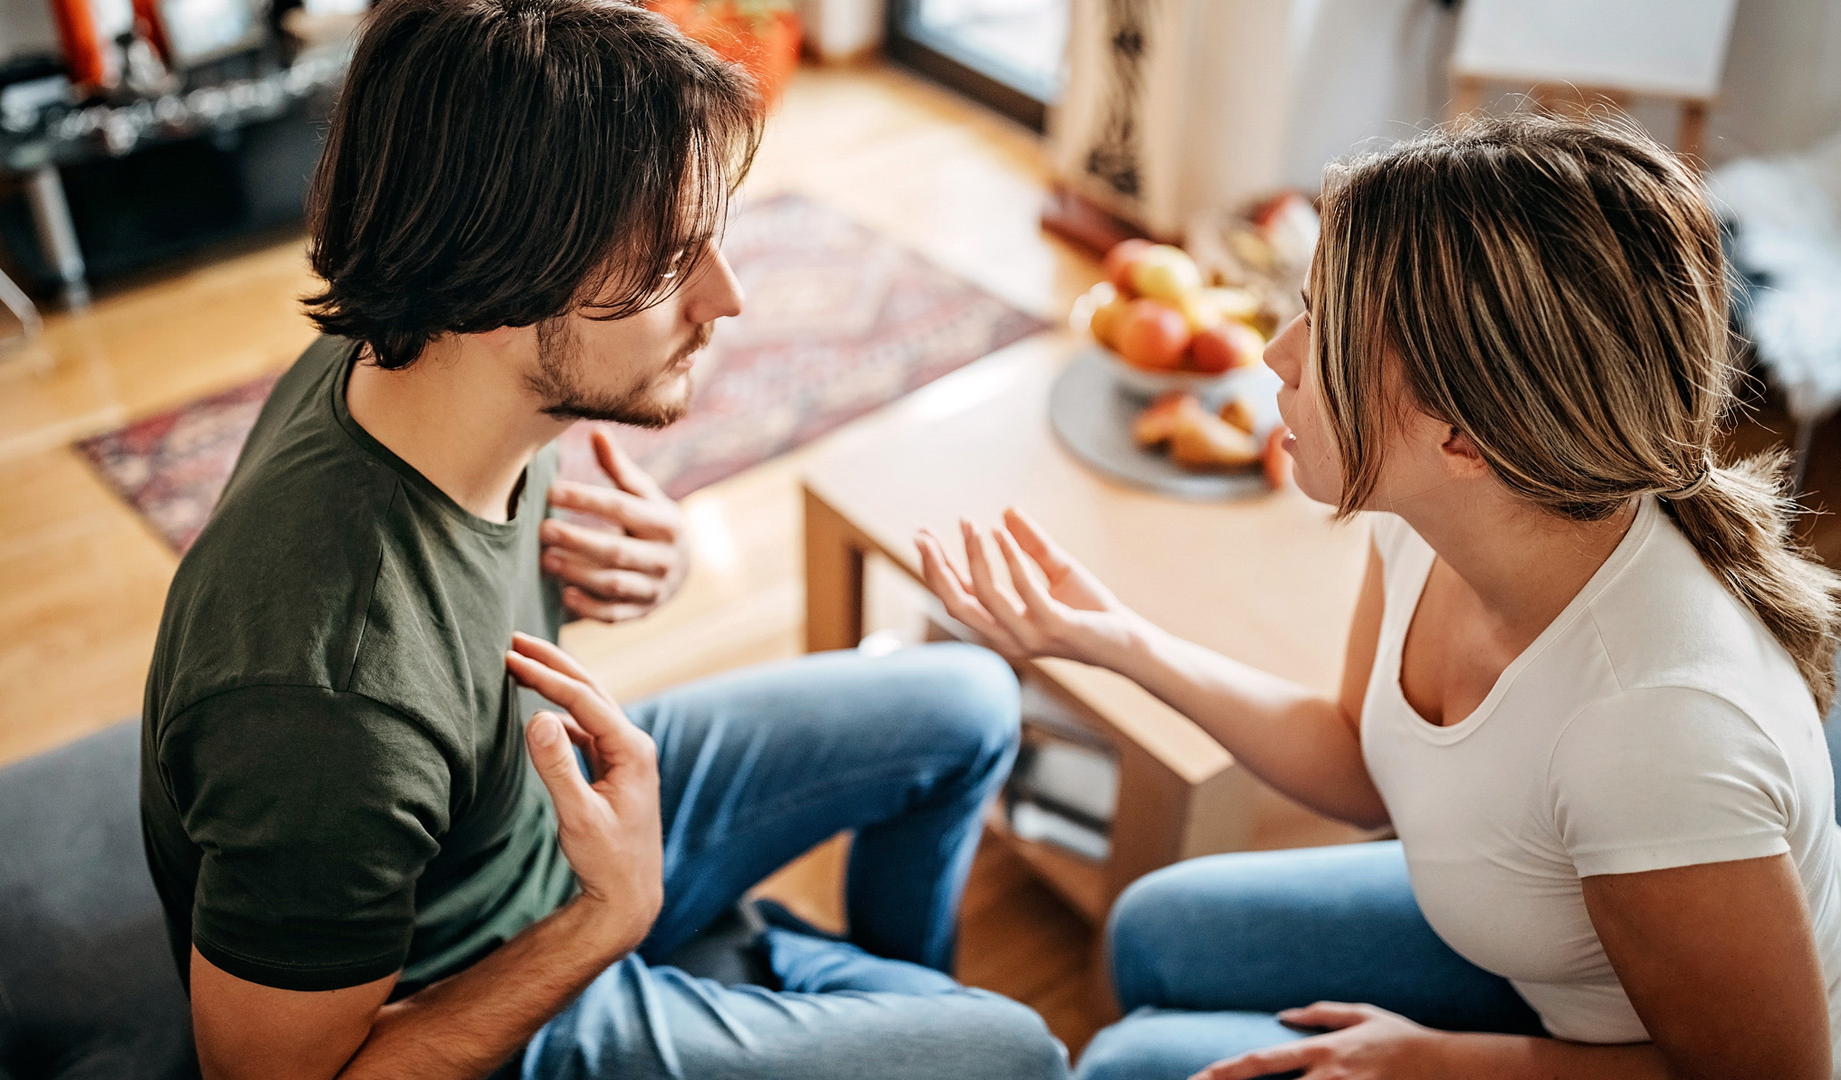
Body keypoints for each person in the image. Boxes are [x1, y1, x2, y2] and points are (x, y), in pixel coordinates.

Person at [137, 3, 1066, 1078]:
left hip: (531, 828)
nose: (730, 297)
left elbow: (457, 600)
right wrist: (607, 920)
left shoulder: (417, 364)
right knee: (1020, 1052)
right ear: (502, 275)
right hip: (484, 999)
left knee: (970, 702)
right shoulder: (328, 703)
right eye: (674, 260)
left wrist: (649, 557)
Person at [918, 112, 1841, 1080]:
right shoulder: (1435, 511)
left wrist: (1442, 1063)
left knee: (1130, 1065)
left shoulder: (1656, 735)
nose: (1277, 353)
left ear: (1465, 438)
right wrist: (1112, 640)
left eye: (1322, 327)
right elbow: (1359, 760)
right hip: (1540, 962)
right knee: (1150, 928)